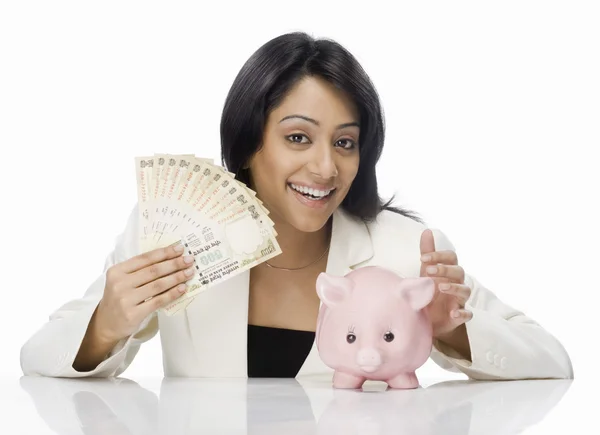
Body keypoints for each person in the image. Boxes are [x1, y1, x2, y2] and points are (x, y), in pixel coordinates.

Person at [20, 31, 573, 380]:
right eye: (298, 138)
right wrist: (107, 325)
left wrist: (451, 332)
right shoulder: (168, 236)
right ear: (248, 140)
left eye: (345, 142)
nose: (326, 169)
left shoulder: (408, 254)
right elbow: (37, 357)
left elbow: (553, 362)